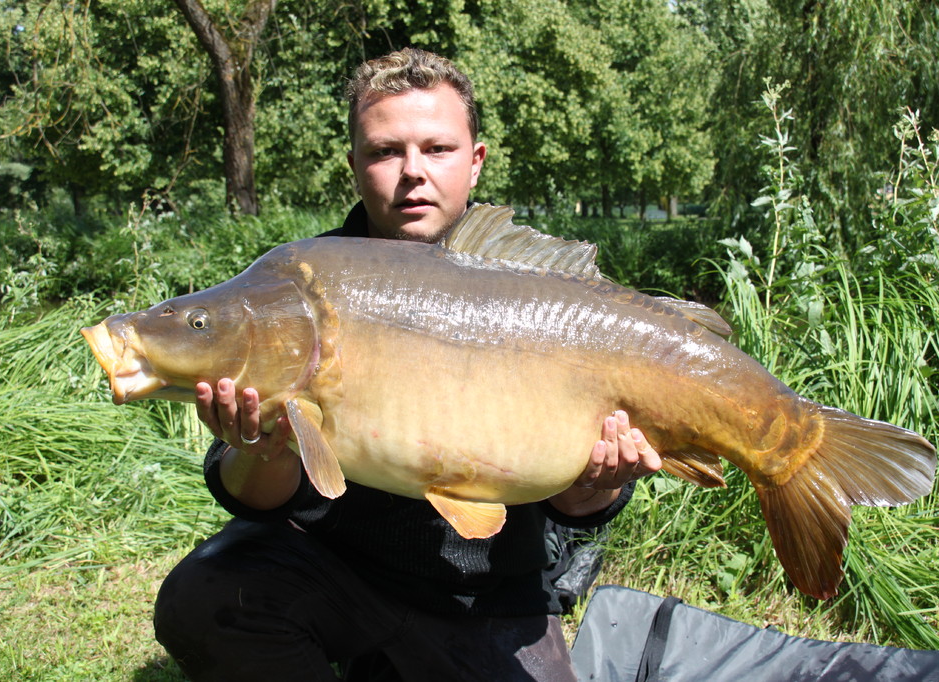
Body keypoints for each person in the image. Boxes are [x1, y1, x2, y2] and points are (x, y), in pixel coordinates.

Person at [153, 47, 661, 681]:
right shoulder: (302, 282)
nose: (411, 172)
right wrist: (259, 446)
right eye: (385, 151)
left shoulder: (539, 289)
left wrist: (601, 480)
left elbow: (571, 508)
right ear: (355, 165)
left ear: (475, 163)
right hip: (337, 571)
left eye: (437, 149)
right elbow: (253, 498)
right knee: (201, 599)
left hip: (488, 592)